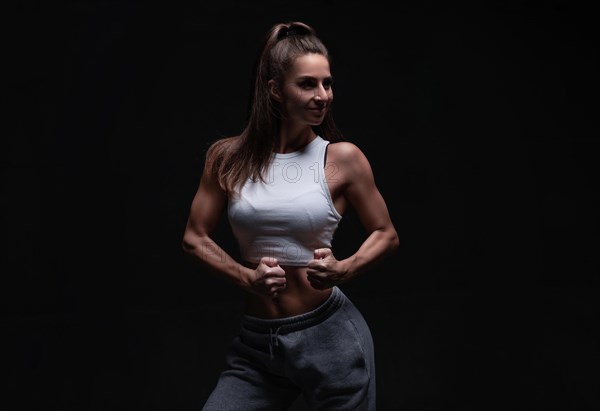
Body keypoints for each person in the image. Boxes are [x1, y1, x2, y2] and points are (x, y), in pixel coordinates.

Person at [182, 20, 399, 411]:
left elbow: (386, 232)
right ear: (275, 90)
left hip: (330, 337)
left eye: (327, 83)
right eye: (307, 84)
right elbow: (194, 238)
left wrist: (345, 268)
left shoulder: (342, 159)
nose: (322, 96)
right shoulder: (226, 159)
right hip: (257, 343)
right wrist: (247, 277)